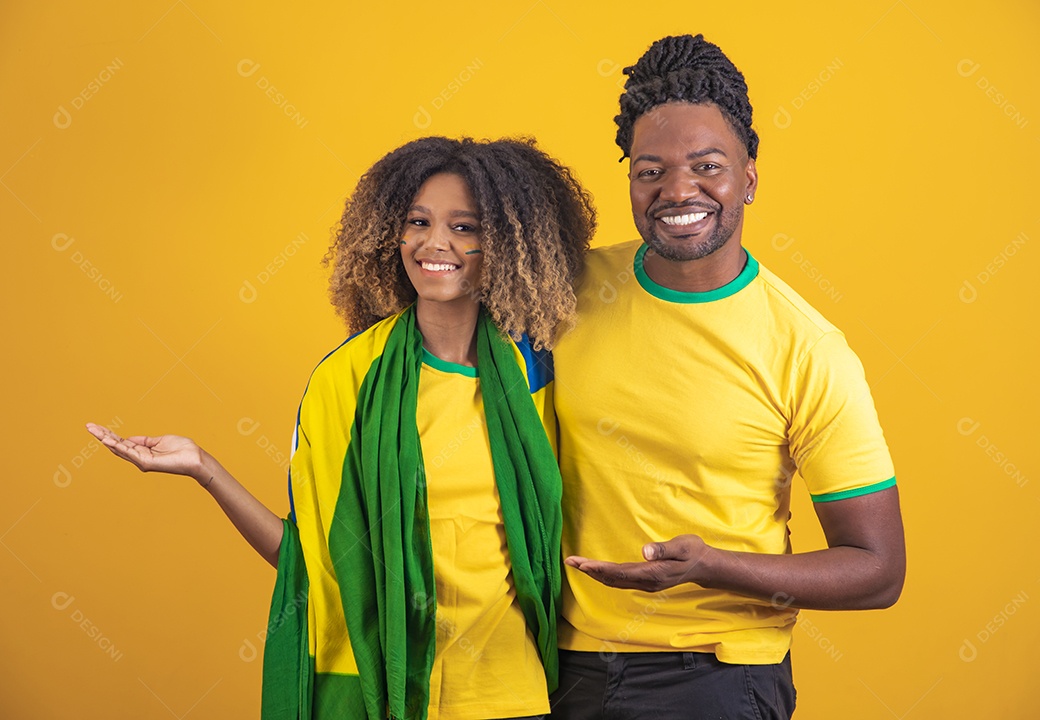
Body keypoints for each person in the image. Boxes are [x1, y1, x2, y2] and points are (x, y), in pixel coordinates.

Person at [87, 136, 596, 720]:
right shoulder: (347, 381)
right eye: (418, 222)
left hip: (513, 692)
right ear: (390, 233)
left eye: (465, 226)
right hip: (386, 694)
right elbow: (309, 560)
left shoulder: (540, 375)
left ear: (507, 242)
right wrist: (205, 469)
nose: (436, 243)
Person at [548, 35, 905, 720]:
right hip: (557, 664)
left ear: (748, 177)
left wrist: (709, 565)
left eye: (706, 166)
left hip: (715, 676)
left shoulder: (808, 349)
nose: (678, 190)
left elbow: (877, 568)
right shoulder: (570, 288)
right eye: (650, 171)